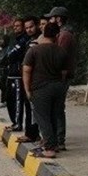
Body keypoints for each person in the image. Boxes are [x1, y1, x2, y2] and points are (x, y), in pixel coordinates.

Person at [23, 22, 71, 159]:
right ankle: (54, 144)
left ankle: (49, 149)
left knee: (42, 118)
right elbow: (64, 72)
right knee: (54, 116)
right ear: (57, 35)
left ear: (43, 33)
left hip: (40, 88)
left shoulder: (34, 50)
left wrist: (27, 89)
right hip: (58, 87)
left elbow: (26, 70)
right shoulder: (61, 51)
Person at [45, 6, 76, 151]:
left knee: (57, 109)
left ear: (58, 19)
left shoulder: (64, 35)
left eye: (51, 18)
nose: (49, 21)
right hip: (58, 76)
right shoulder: (62, 34)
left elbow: (60, 57)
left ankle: (59, 140)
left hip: (61, 77)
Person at [6, 18, 29, 131]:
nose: (15, 28)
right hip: (11, 73)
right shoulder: (14, 39)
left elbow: (12, 55)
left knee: (18, 100)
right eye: (14, 26)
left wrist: (9, 56)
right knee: (10, 100)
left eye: (18, 26)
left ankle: (18, 124)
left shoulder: (24, 39)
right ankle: (14, 122)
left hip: (18, 74)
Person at [0, 35, 11, 108]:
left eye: (2, 40)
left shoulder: (8, 49)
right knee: (1, 86)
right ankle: (4, 101)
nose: (1, 42)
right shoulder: (1, 50)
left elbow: (2, 59)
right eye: (0, 40)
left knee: (5, 86)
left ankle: (6, 101)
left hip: (4, 71)